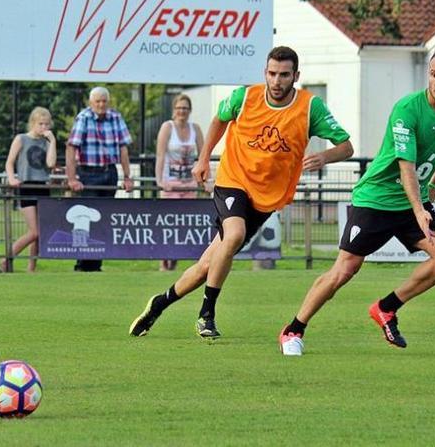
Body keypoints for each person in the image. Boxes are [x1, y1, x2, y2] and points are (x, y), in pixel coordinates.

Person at [128, 46, 353, 341]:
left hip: (267, 197)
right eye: (272, 73)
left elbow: (346, 146)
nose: (277, 81)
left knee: (207, 265)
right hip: (233, 180)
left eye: (284, 75)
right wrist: (203, 158)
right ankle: (206, 315)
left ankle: (160, 303)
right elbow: (220, 119)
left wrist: (324, 158)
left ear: (296, 76)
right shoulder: (245, 97)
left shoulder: (311, 107)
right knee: (233, 235)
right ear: (265, 73)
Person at [278, 48, 435, 356]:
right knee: (345, 270)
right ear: (428, 75)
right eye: (434, 74)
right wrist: (420, 207)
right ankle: (293, 330)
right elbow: (406, 167)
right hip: (377, 200)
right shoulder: (407, 110)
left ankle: (386, 308)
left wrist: (433, 184)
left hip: (412, 204)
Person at [66, 86, 134, 272]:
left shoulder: (116, 117)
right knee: (84, 218)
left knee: (103, 219)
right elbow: (71, 147)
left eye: (104, 101)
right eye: (98, 101)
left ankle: (96, 264)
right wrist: (71, 178)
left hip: (109, 172)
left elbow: (123, 148)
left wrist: (127, 176)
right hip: (88, 173)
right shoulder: (84, 118)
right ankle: (82, 263)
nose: (101, 105)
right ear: (91, 102)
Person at [0, 106, 57, 272]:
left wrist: (52, 142)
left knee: (41, 232)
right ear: (33, 123)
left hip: (43, 185)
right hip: (26, 186)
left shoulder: (47, 142)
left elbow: (51, 164)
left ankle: (31, 267)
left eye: (47, 124)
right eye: (40, 124)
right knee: (34, 232)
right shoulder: (21, 138)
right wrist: (11, 178)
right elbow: (9, 162)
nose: (44, 127)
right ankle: (7, 259)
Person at [154, 94, 204, 271]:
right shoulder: (167, 127)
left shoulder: (195, 129)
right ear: (174, 110)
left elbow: (202, 156)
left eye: (185, 108)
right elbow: (160, 155)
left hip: (189, 184)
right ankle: (164, 262)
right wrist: (160, 180)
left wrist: (203, 180)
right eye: (178, 108)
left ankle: (177, 261)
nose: (181, 111)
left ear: (189, 111)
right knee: (169, 224)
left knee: (185, 224)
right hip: (171, 183)